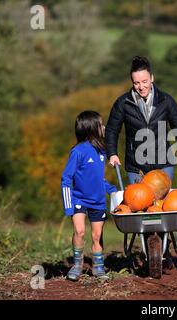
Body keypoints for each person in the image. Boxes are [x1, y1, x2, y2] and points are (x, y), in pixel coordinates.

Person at [105, 56, 177, 269]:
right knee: (139, 208)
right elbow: (112, 129)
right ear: (132, 82)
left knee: (165, 207)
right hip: (136, 164)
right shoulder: (123, 102)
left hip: (164, 161)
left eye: (144, 81)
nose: (141, 87)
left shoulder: (166, 100)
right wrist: (112, 153)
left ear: (152, 78)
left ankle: (164, 249)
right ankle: (146, 248)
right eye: (136, 83)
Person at [61, 111, 117, 281]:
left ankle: (98, 267)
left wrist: (112, 190)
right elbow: (66, 179)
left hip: (98, 201)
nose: (104, 127)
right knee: (79, 231)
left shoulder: (102, 152)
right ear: (92, 128)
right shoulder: (78, 152)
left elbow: (98, 179)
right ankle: (77, 265)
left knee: (96, 235)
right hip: (78, 199)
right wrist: (68, 205)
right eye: (101, 125)